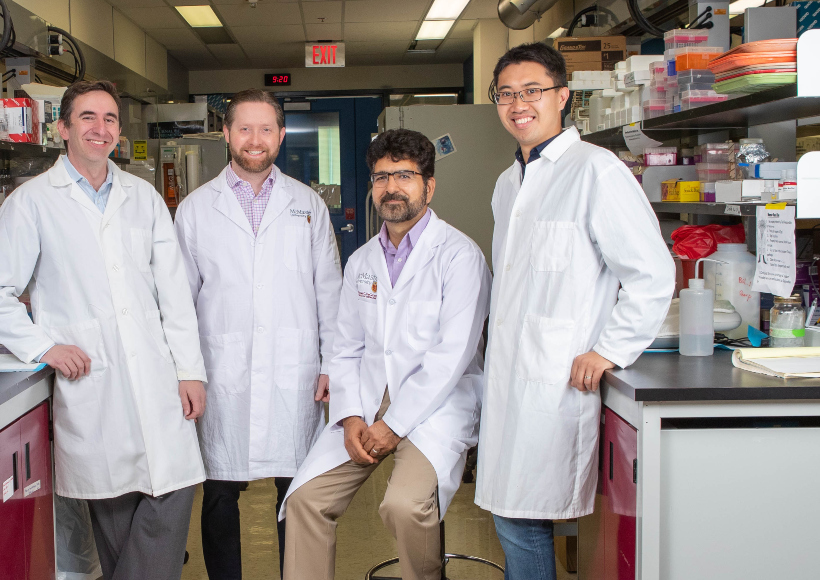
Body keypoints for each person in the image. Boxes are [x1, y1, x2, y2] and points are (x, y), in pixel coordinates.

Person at [0, 80, 207, 580]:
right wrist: (43, 346)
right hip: (93, 382)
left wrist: (190, 370)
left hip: (158, 376)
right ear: (63, 128)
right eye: (88, 118)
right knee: (114, 515)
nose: (101, 129)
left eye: (110, 120)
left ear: (119, 132)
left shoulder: (142, 198)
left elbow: (175, 295)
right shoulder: (32, 202)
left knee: (175, 489)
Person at [475, 43, 675, 580]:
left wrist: (610, 348)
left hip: (557, 380)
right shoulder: (507, 182)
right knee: (513, 516)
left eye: (533, 91)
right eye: (507, 94)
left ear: (563, 95)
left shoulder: (596, 170)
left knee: (521, 521)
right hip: (513, 379)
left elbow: (652, 274)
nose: (519, 104)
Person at [281, 128, 492, 580]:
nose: (391, 187)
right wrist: (352, 416)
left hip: (436, 403)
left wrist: (393, 425)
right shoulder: (361, 262)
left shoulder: (459, 257)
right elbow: (344, 349)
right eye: (380, 177)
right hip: (369, 397)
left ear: (429, 186)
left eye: (404, 176)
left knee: (402, 505)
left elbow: (450, 356)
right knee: (305, 502)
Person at [174, 88, 342, 580]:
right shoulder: (196, 209)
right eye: (243, 128)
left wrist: (332, 362)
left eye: (265, 128)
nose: (254, 139)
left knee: (296, 491)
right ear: (225, 134)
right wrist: (186, 370)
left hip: (296, 371)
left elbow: (329, 291)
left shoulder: (307, 205)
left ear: (281, 135)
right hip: (222, 371)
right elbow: (179, 303)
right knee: (220, 491)